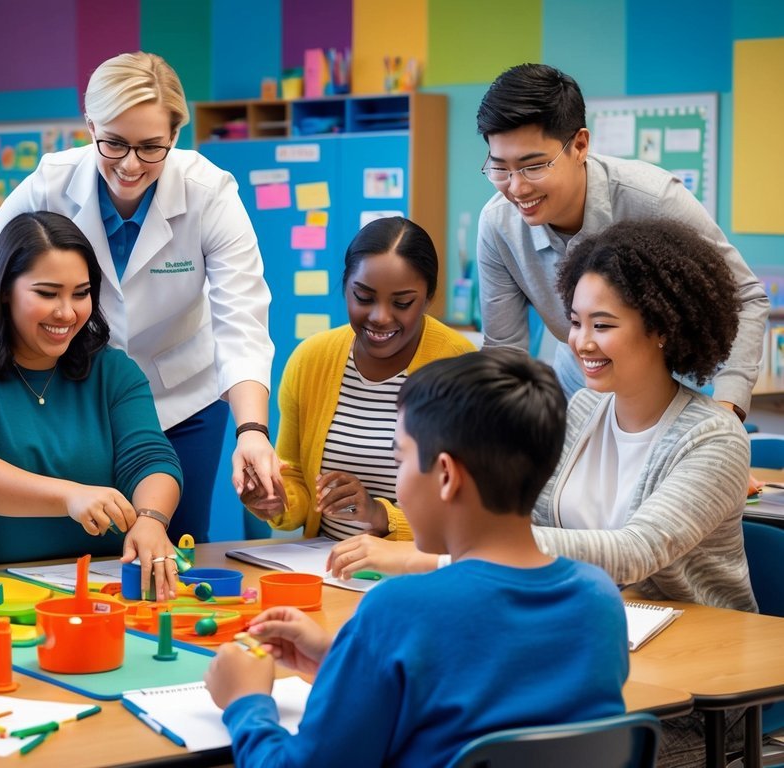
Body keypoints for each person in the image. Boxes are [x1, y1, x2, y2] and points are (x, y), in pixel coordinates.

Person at [331, 220, 755, 768]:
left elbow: (633, 553)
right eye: (575, 322)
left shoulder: (712, 439)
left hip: (690, 693)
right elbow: (516, 524)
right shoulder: (581, 411)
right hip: (581, 655)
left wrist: (431, 559)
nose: (580, 342)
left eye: (602, 325)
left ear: (663, 328)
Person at [0, 51, 277, 542]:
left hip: (179, 391)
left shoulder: (208, 193)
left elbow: (241, 319)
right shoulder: (53, 180)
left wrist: (252, 430)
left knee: (171, 538)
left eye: (150, 148)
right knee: (79, 525)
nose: (129, 164)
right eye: (114, 143)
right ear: (89, 125)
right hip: (80, 379)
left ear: (175, 136)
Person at [204, 349, 628, 767]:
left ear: (445, 475)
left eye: (400, 459)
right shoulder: (598, 599)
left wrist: (246, 703)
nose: (398, 481)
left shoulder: (397, 610)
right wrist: (347, 659)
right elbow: (489, 685)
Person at [0, 211, 184, 598]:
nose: (67, 312)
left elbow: (151, 458)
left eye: (81, 294)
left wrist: (152, 519)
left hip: (98, 588)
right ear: (4, 289)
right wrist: (70, 496)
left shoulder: (112, 369)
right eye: (47, 293)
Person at [474, 62, 765, 421]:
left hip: (674, 389)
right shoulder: (498, 224)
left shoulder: (653, 199)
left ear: (580, 145)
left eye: (533, 166)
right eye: (500, 168)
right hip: (579, 388)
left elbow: (746, 297)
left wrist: (728, 406)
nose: (516, 188)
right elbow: (505, 352)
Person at [240, 217, 475, 541]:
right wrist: (277, 500)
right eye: (363, 297)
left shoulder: (459, 365)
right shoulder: (311, 360)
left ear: (428, 298)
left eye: (402, 303)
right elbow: (294, 472)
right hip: (328, 566)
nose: (380, 316)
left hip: (417, 570)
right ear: (346, 285)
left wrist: (380, 515)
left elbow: (473, 503)